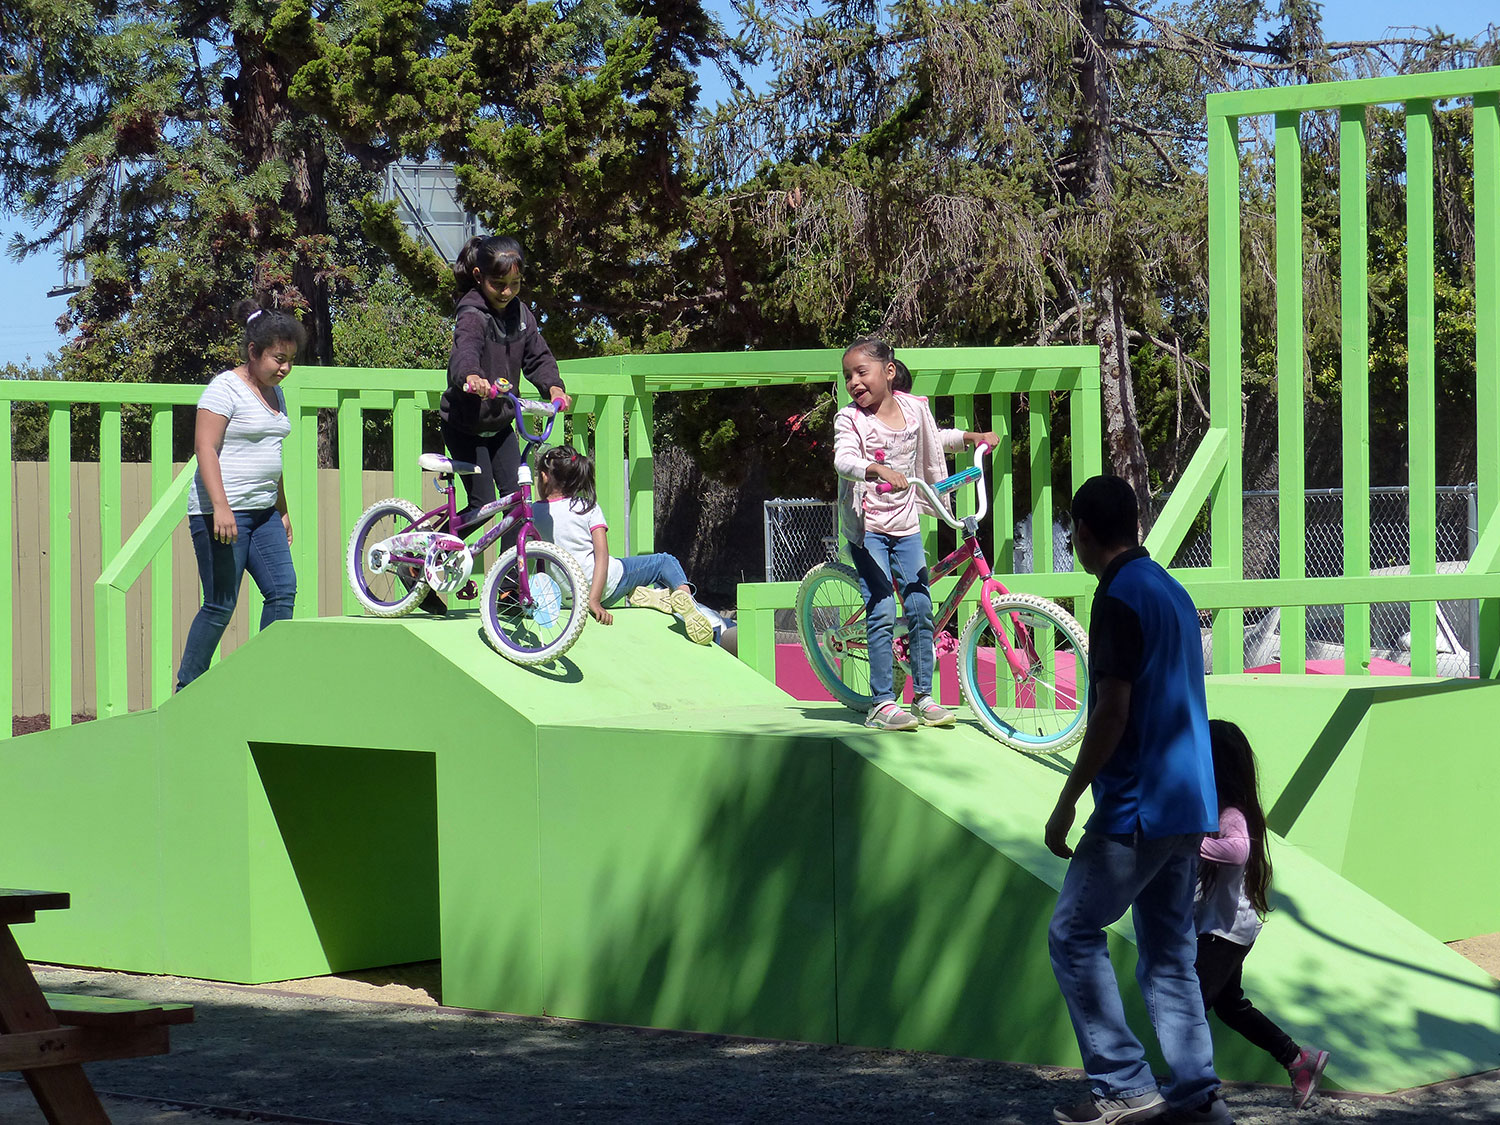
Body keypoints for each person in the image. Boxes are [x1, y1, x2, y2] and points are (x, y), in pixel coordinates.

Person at [1044, 474, 1230, 1125]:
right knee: (1170, 953)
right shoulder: (1171, 592)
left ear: (1084, 534)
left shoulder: (1118, 594)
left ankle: (1123, 1085)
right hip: (1189, 803)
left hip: (1137, 805)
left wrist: (1068, 798)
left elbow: (1112, 711)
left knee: (1072, 931)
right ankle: (1197, 1097)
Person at [832, 338, 996, 731]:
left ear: (888, 372)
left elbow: (933, 438)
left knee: (922, 607)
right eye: (848, 376)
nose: (854, 382)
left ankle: (923, 696)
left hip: (904, 524)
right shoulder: (849, 419)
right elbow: (843, 458)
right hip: (868, 526)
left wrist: (971, 439)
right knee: (883, 607)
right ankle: (881, 702)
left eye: (861, 372)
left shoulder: (912, 408)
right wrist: (875, 470)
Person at [431, 234, 570, 613]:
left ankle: (510, 587)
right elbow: (466, 350)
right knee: (482, 504)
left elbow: (538, 356)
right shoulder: (472, 312)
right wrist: (471, 377)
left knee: (516, 501)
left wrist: (554, 387)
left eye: (515, 284)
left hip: (501, 425)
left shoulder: (522, 316)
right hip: (465, 425)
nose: (507, 292)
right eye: (498, 284)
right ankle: (425, 568)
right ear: (478, 276)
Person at [1197, 719, 1329, 1110]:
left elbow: (1237, 851)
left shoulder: (1232, 813)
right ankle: (1298, 1059)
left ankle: (1198, 1089)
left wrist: (1188, 842)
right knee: (1229, 1004)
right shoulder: (1220, 809)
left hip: (1224, 930)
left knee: (1189, 1006)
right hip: (1227, 926)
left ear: (1215, 766)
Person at [176, 301, 305, 691]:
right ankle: (188, 688)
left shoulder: (274, 394)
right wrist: (220, 507)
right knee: (220, 605)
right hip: (222, 515)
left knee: (282, 592)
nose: (284, 368)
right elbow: (205, 449)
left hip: (264, 513)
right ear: (253, 352)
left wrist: (282, 509)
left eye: (290, 361)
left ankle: (265, 683)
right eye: (277, 359)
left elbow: (272, 456)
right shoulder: (224, 389)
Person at [531, 445, 728, 647]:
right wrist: (594, 600)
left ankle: (657, 597)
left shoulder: (532, 514)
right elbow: (602, 556)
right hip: (605, 588)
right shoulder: (586, 507)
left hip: (568, 599)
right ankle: (686, 599)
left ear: (544, 477)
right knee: (664, 562)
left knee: (627, 571)